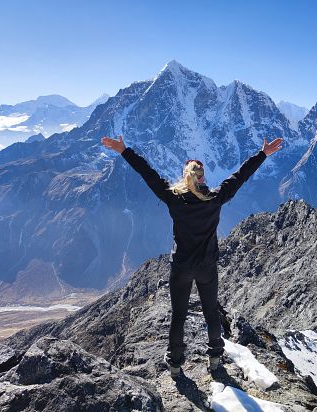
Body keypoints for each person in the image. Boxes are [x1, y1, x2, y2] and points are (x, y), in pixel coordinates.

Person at [100, 134, 283, 378]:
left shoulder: (172, 198)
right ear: (202, 177)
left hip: (181, 267)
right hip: (207, 267)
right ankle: (215, 358)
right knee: (210, 312)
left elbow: (148, 174)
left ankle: (175, 364)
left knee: (179, 315)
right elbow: (239, 177)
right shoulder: (215, 198)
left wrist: (124, 150)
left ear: (185, 176)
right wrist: (262, 154)